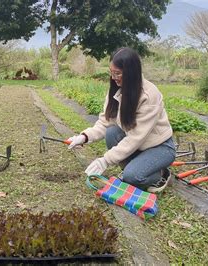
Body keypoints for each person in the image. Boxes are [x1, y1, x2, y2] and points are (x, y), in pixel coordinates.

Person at [67, 47, 176, 193]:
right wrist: (84, 137)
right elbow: (105, 123)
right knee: (112, 132)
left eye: (117, 73)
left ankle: (162, 174)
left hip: (159, 147)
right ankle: (138, 167)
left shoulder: (149, 95)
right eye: (111, 73)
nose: (113, 77)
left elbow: (135, 138)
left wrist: (105, 160)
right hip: (139, 146)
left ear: (131, 73)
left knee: (132, 177)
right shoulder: (117, 89)